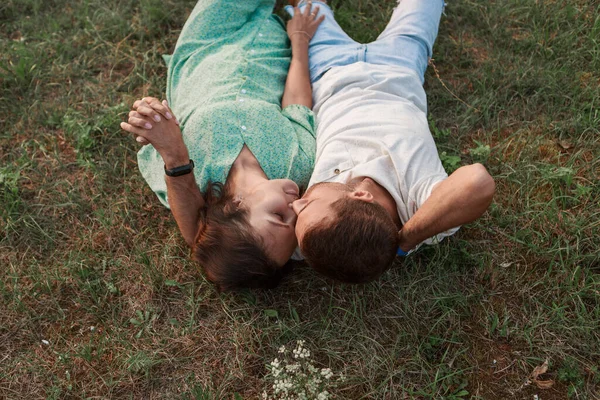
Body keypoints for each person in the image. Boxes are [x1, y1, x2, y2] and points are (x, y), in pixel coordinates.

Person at [287, 0, 496, 283]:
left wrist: (299, 41)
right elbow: (477, 181)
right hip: (399, 63)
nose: (294, 206)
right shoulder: (418, 203)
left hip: (329, 69)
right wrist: (407, 238)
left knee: (306, 7)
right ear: (360, 196)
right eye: (307, 204)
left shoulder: (313, 233)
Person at [121, 0, 324, 291]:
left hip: (206, 45)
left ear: (236, 207)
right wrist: (300, 41)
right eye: (296, 223)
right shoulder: (299, 165)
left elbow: (195, 236)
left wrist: (152, 117)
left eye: (280, 216)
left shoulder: (193, 178)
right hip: (269, 41)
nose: (296, 207)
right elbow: (296, 105)